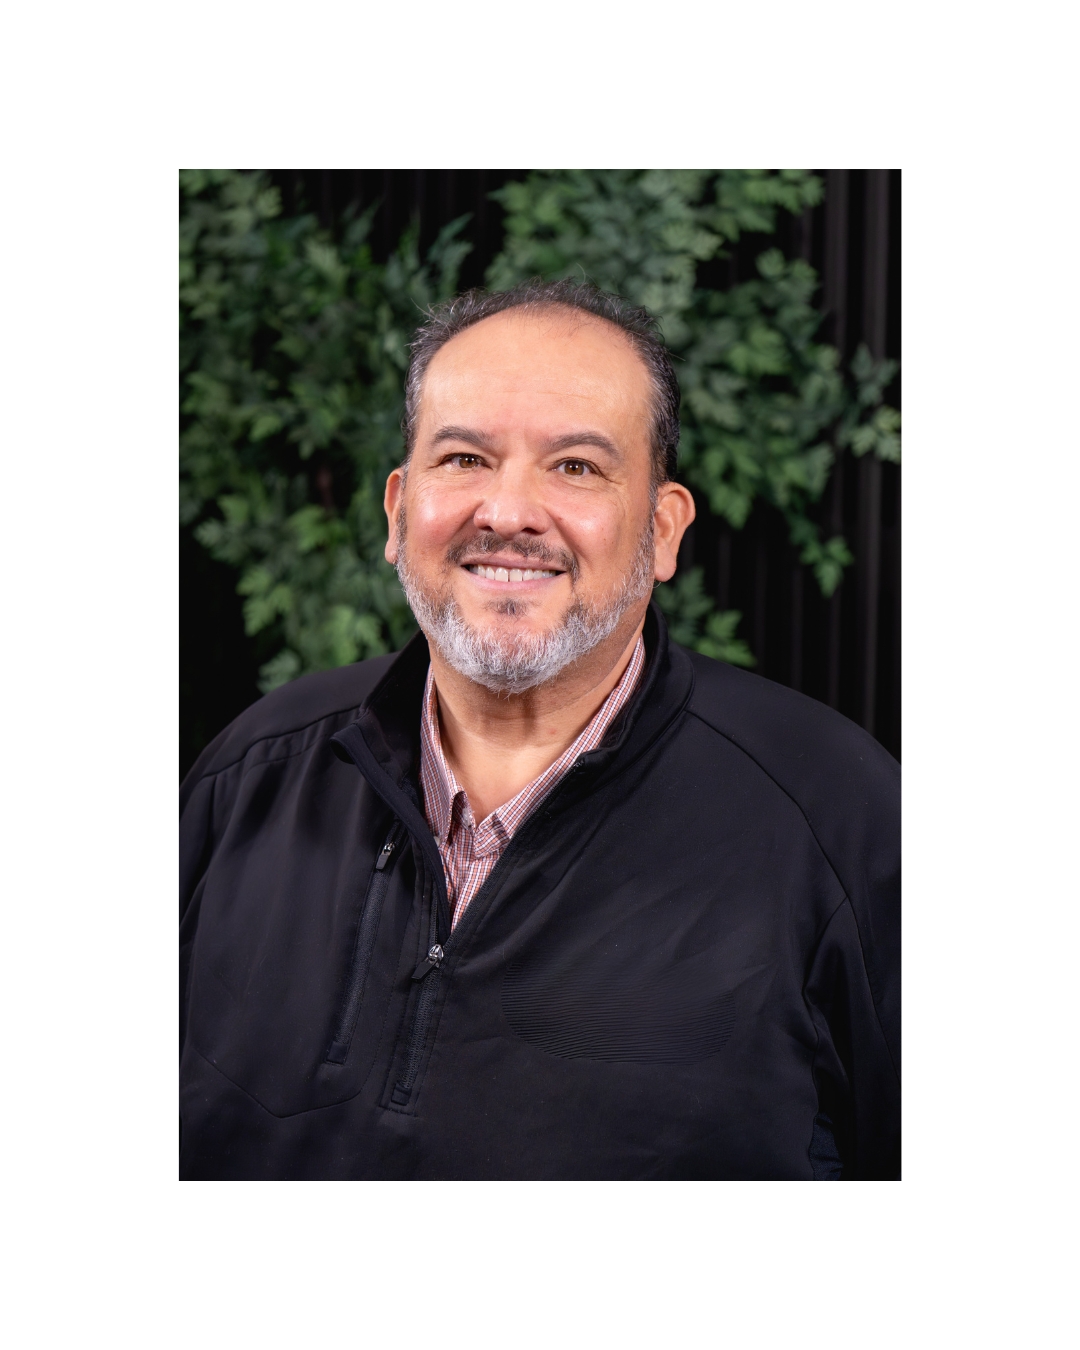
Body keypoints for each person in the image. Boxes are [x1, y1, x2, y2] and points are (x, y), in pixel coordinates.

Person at [180, 279, 900, 1180]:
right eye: (465, 458)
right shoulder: (250, 775)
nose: (508, 511)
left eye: (577, 467)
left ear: (663, 529)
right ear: (398, 511)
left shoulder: (841, 818)